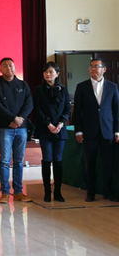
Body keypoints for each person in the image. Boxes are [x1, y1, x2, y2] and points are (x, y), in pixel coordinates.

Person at [73, 58, 119, 202]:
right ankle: (90, 192)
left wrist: (117, 131)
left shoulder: (112, 87)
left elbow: (117, 110)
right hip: (89, 131)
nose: (93, 69)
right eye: (91, 67)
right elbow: (77, 111)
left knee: (108, 164)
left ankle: (108, 192)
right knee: (89, 164)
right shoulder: (82, 87)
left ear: (104, 69)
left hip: (107, 131)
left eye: (96, 66)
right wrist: (78, 131)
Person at [0, 57, 33, 204]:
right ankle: (4, 192)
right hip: (5, 128)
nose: (8, 68)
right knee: (4, 161)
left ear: (15, 68)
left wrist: (20, 119)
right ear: (0, 69)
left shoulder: (23, 84)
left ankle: (18, 191)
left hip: (21, 128)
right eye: (5, 66)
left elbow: (29, 104)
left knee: (19, 161)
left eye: (11, 65)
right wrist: (13, 118)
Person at [33, 61, 71, 202]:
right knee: (47, 159)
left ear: (57, 74)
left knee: (58, 160)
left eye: (51, 72)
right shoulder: (39, 90)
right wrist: (49, 124)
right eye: (46, 72)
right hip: (45, 129)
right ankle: (47, 191)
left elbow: (67, 109)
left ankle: (58, 191)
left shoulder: (63, 90)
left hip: (60, 129)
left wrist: (60, 124)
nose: (48, 74)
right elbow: (38, 109)